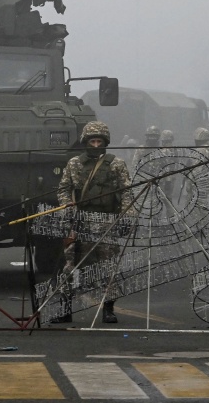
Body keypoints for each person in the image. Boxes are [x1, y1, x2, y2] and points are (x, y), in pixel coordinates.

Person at [55, 121, 133, 323]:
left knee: (108, 266)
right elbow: (63, 189)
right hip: (80, 221)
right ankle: (65, 310)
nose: (96, 145)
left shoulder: (116, 164)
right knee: (70, 266)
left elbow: (127, 191)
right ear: (85, 142)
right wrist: (67, 209)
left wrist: (127, 217)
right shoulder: (74, 164)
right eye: (93, 141)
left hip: (107, 221)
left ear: (105, 142)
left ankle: (108, 309)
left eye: (99, 141)